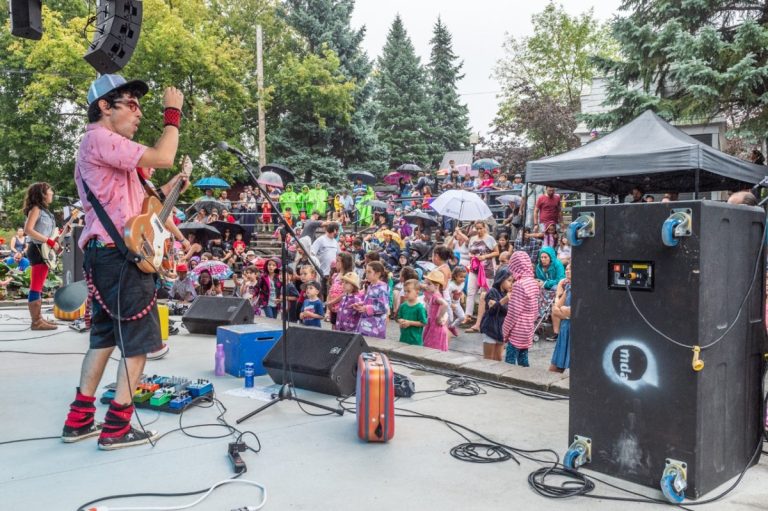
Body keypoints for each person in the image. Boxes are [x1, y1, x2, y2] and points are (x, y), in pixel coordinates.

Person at [62, 74, 188, 450]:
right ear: (105, 106)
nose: (138, 113)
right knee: (138, 343)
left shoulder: (112, 152)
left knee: (102, 339)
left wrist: (177, 185)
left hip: (106, 255)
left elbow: (148, 205)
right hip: (119, 259)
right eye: (131, 104)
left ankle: (80, 418)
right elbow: (164, 155)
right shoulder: (99, 138)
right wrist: (172, 115)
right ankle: (117, 426)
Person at [22, 182, 59, 330]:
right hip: (36, 249)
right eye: (50, 191)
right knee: (36, 287)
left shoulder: (46, 212)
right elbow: (28, 230)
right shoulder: (36, 208)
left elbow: (46, 233)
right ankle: (36, 322)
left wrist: (54, 240)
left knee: (39, 286)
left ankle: (39, 319)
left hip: (41, 249)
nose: (52, 194)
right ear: (43, 193)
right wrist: (49, 240)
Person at [503, 252, 539, 367]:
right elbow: (535, 308)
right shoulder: (533, 282)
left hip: (518, 327)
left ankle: (509, 383)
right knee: (523, 358)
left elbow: (513, 312)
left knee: (510, 360)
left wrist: (505, 330)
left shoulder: (519, 285)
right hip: (528, 326)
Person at [465, 221, 498, 326]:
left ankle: (485, 317)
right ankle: (468, 315)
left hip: (487, 269)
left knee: (485, 294)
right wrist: (471, 256)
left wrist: (485, 256)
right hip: (474, 268)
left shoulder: (490, 238)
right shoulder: (473, 239)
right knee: (470, 291)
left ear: (485, 228)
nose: (479, 230)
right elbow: (470, 251)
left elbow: (497, 252)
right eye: (477, 228)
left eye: (480, 228)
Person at [480, 267, 512, 361]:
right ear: (501, 279)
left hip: (501, 330)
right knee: (488, 359)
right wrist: (503, 301)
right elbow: (491, 311)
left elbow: (507, 311)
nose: (511, 283)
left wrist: (498, 303)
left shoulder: (507, 294)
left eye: (512, 281)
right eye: (509, 280)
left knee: (498, 359)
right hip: (490, 328)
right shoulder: (492, 291)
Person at [354, 261, 389, 338]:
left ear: (378, 274)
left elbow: (383, 307)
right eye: (366, 272)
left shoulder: (382, 288)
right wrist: (361, 304)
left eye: (369, 272)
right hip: (367, 322)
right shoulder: (371, 286)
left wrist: (366, 308)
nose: (367, 274)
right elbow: (371, 302)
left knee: (372, 346)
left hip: (376, 325)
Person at [550, 263, 572, 373]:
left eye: (570, 269)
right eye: (566, 269)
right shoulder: (568, 287)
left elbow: (575, 312)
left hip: (573, 330)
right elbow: (555, 309)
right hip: (565, 328)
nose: (567, 271)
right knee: (555, 368)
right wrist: (559, 289)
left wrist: (564, 312)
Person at [325, 252, 355, 329]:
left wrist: (332, 302)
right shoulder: (335, 275)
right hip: (333, 307)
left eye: (338, 261)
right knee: (333, 325)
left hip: (342, 307)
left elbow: (346, 293)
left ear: (344, 263)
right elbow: (330, 291)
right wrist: (329, 304)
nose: (336, 263)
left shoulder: (349, 276)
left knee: (341, 328)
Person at [422, 270, 449, 351]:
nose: (426, 286)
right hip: (432, 324)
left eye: (429, 284)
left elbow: (445, 304)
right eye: (426, 283)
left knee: (432, 347)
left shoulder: (436, 296)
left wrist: (439, 317)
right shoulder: (434, 295)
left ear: (437, 286)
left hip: (435, 326)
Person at [397, 279, 427, 346]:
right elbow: (399, 317)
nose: (406, 293)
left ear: (417, 293)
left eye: (408, 291)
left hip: (415, 341)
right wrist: (401, 321)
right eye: (405, 291)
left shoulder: (420, 307)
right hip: (403, 339)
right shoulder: (403, 306)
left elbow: (423, 323)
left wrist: (410, 323)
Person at [311, 222, 340, 286]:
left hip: (332, 274)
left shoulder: (335, 242)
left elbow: (339, 255)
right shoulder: (320, 240)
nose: (337, 233)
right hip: (321, 273)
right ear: (334, 230)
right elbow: (312, 253)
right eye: (336, 231)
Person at [447, 266, 467, 336]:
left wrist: (462, 296)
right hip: (449, 304)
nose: (463, 279)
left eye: (464, 277)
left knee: (462, 317)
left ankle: (452, 327)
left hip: (456, 303)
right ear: (455, 276)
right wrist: (450, 304)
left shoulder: (463, 284)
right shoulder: (451, 285)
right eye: (461, 277)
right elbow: (446, 296)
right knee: (450, 319)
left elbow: (460, 291)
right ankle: (444, 331)